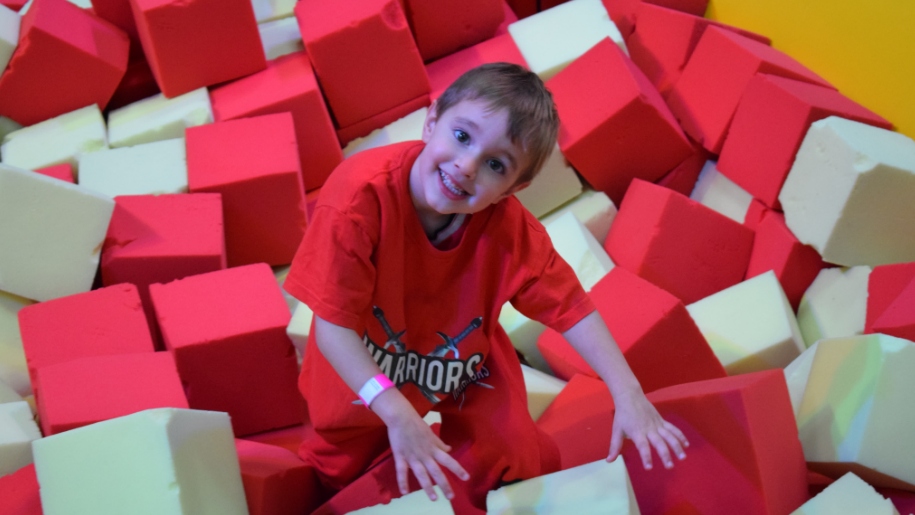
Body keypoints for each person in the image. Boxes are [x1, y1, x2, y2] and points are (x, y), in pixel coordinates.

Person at [284, 62, 688, 513]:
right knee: (339, 474)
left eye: (496, 165)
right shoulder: (359, 197)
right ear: (433, 120)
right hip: (361, 371)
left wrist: (627, 392)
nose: (467, 166)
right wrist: (396, 412)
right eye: (462, 137)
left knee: (516, 452)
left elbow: (571, 308)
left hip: (460, 366)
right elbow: (332, 328)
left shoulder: (508, 229)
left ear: (513, 189)